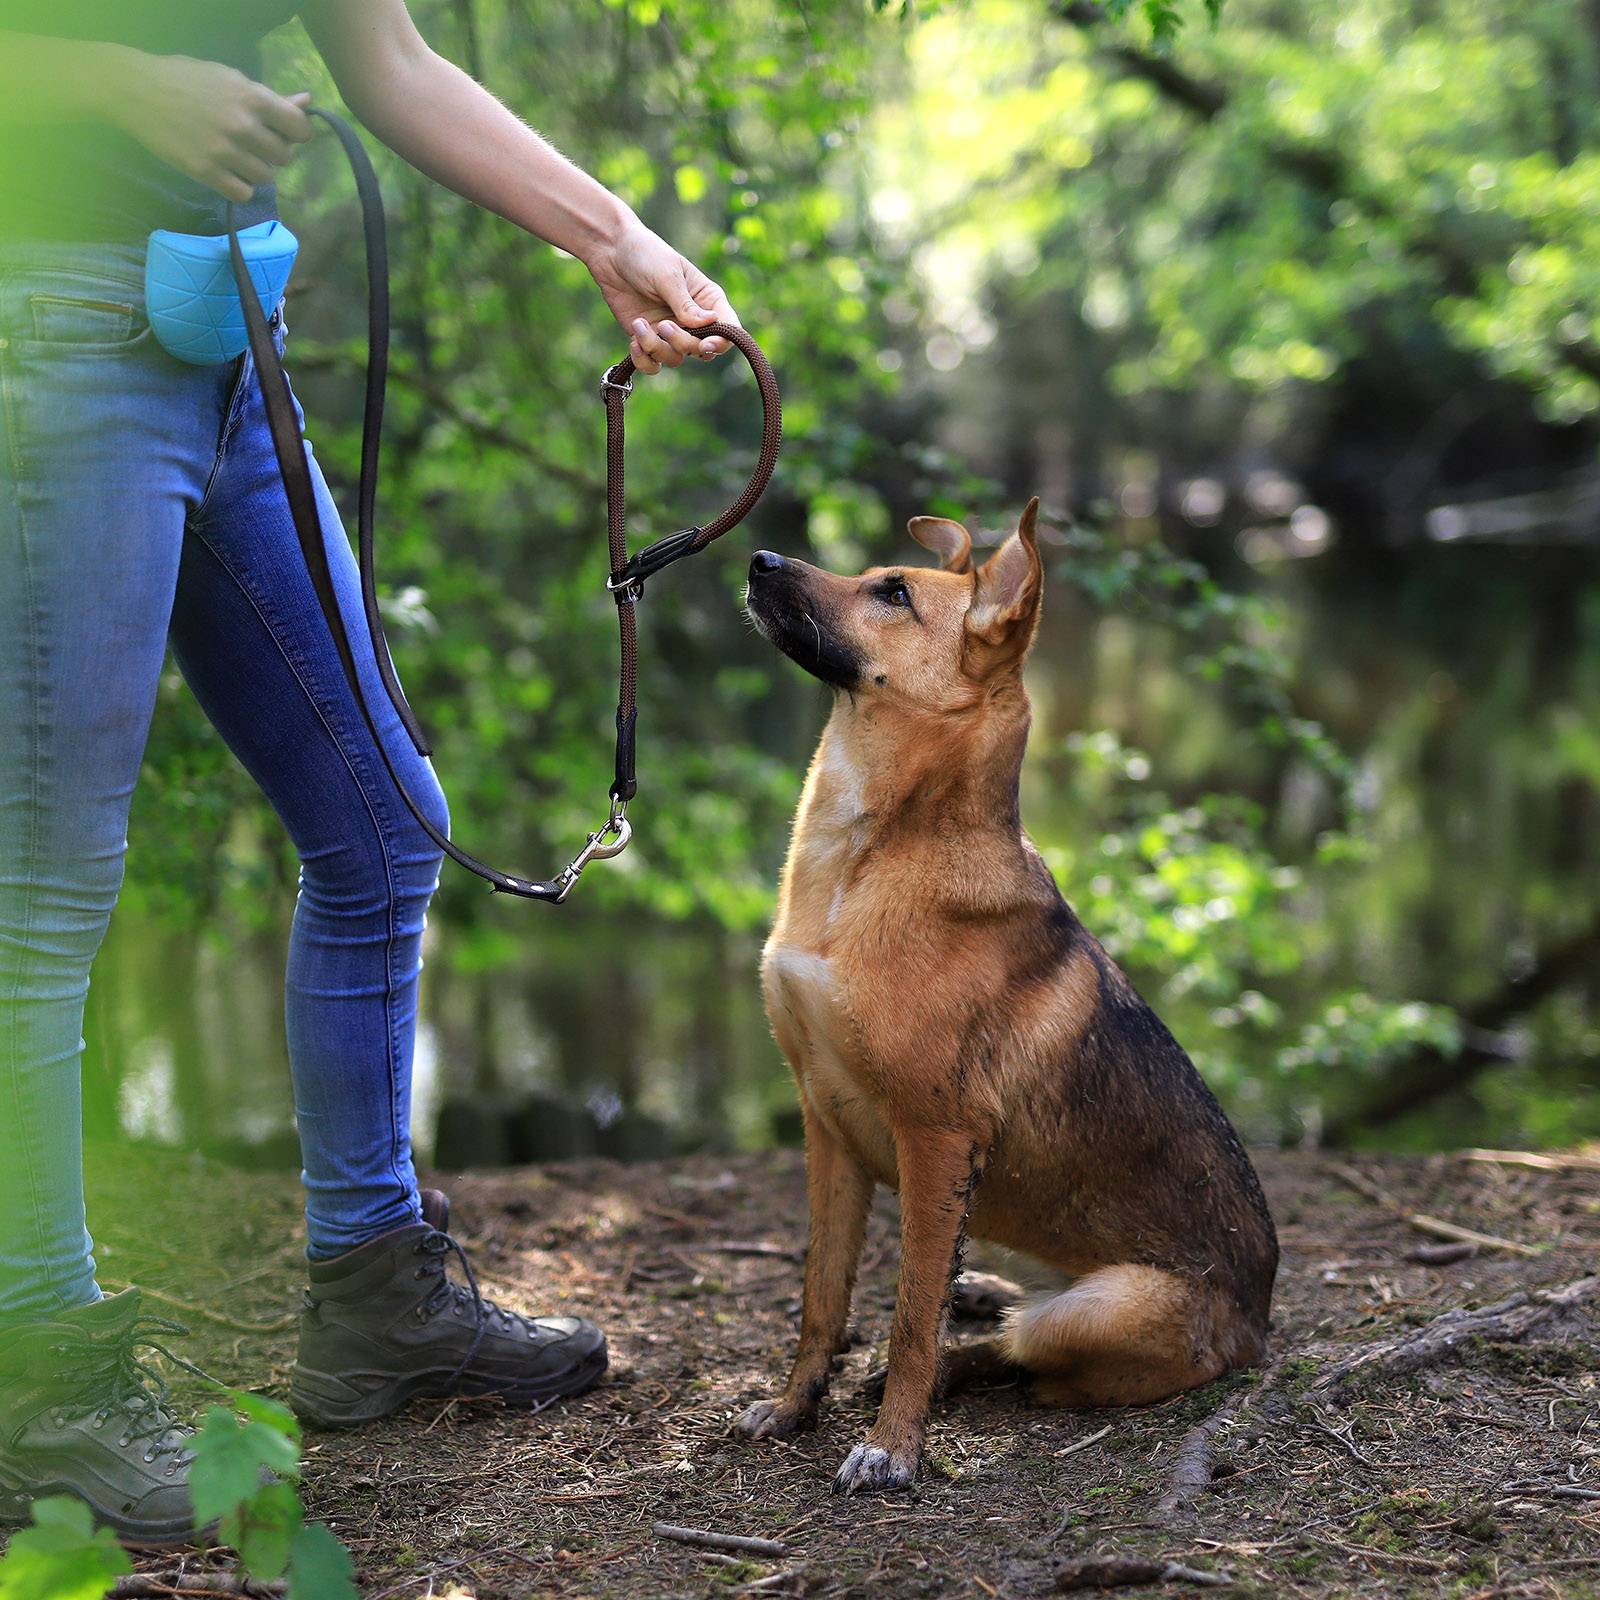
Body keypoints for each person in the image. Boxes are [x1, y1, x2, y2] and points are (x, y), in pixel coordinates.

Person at [0, 0, 739, 1545]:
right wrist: (118, 83)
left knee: (382, 825)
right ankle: (41, 1376)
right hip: (49, 335)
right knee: (41, 893)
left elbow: (389, 60)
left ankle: (375, 1296)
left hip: (224, 346)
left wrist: (615, 240)